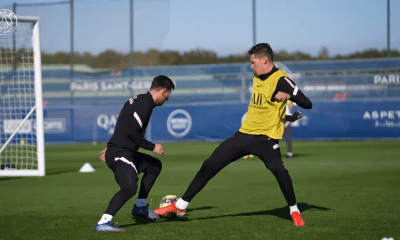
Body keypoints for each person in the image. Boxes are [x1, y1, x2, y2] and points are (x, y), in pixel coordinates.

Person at [154, 43, 312, 227]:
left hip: (266, 139)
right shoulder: (257, 75)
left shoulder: (282, 80)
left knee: (280, 172)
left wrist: (288, 95)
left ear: (265, 60)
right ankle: (180, 205)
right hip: (243, 136)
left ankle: (294, 210)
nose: (251, 66)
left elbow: (307, 103)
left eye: (253, 62)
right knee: (210, 164)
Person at [94, 75, 175, 232]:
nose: (166, 100)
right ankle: (104, 222)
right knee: (129, 188)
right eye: (167, 96)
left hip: (121, 150)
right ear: (163, 92)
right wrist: (153, 147)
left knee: (154, 166)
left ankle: (140, 208)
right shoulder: (144, 105)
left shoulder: (140, 100)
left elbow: (123, 122)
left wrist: (112, 145)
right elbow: (133, 133)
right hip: (120, 153)